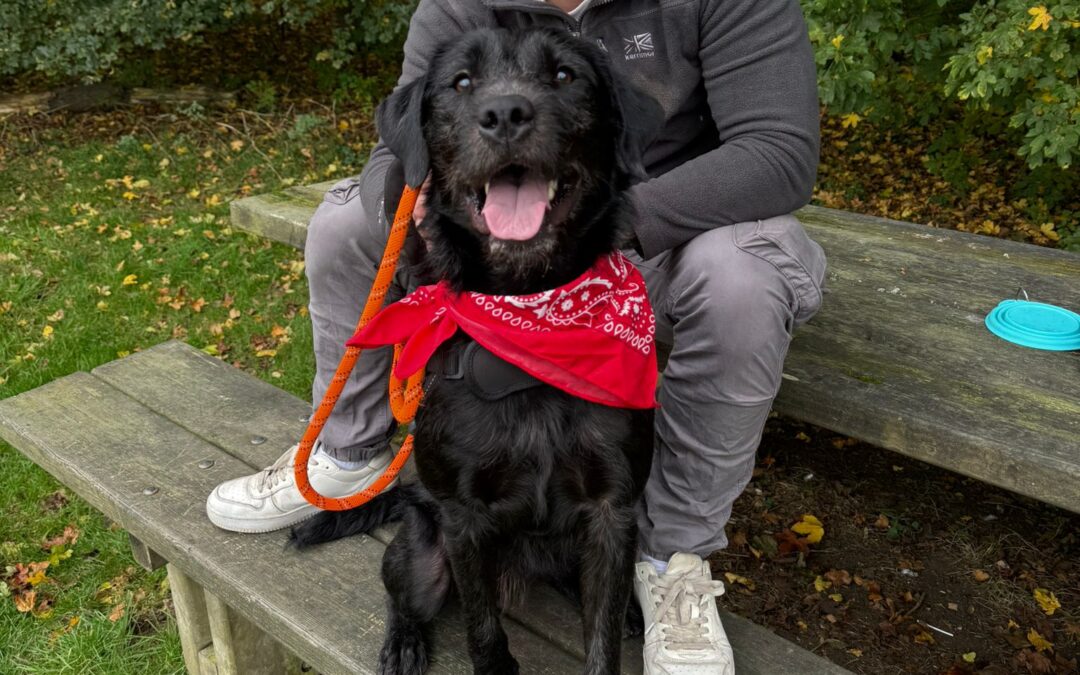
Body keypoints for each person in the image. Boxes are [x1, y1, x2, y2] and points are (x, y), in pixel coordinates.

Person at [207, 0, 826, 672]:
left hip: (661, 230)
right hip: (494, 230)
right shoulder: (454, 6)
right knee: (344, 220)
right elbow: (402, 150)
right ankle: (349, 452)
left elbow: (779, 152)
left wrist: (605, 217)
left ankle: (673, 553)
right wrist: (426, 218)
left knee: (745, 274)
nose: (504, 108)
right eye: (474, 89)